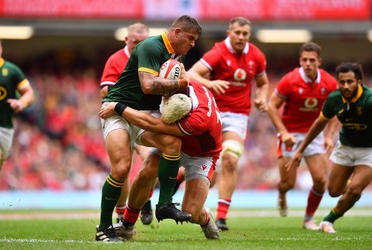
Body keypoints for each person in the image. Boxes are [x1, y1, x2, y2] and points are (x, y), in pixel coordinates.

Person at [96, 15, 202, 242]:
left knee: (173, 143)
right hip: (118, 112)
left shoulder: (175, 56)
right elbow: (147, 86)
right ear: (176, 33)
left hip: (144, 116)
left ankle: (163, 204)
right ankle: (104, 227)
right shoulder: (152, 46)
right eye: (190, 38)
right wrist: (182, 83)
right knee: (122, 167)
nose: (193, 44)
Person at [100, 81, 222, 240]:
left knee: (191, 212)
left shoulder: (197, 120)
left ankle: (205, 218)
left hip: (202, 155)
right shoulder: (186, 85)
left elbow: (151, 123)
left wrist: (119, 107)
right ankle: (127, 225)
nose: (163, 99)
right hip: (180, 141)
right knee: (147, 171)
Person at [188, 17, 269, 231]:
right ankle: (188, 188)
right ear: (229, 33)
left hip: (238, 116)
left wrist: (261, 97)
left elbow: (263, 82)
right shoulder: (217, 53)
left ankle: (222, 216)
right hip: (212, 112)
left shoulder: (256, 56)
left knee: (231, 160)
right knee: (209, 169)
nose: (241, 37)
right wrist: (211, 82)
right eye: (237, 33)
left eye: (245, 34)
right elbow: (191, 74)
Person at [286, 62, 372, 233]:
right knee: (334, 191)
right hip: (346, 147)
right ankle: (351, 186)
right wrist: (300, 150)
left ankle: (328, 221)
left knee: (355, 190)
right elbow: (319, 124)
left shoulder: (371, 100)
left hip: (370, 149)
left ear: (359, 81)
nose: (346, 86)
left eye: (350, 82)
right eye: (342, 82)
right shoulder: (335, 99)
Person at [266, 42, 338, 230]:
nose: (308, 63)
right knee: (288, 183)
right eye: (304, 60)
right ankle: (281, 192)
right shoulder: (289, 80)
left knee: (321, 181)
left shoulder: (329, 83)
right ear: (300, 61)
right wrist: (283, 132)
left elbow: (337, 110)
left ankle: (308, 219)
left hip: (315, 134)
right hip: (290, 135)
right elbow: (271, 106)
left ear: (319, 61)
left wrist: (330, 135)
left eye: (312, 60)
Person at [99, 22, 154, 225]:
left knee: (151, 159)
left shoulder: (152, 58)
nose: (139, 46)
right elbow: (106, 91)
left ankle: (145, 197)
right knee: (122, 168)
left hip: (141, 117)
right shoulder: (115, 60)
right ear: (126, 40)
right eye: (135, 42)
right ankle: (122, 213)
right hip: (120, 117)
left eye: (143, 42)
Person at [0, 36, 35, 226]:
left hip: (5, 127)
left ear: (1, 49)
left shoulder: (11, 71)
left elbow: (29, 94)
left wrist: (21, 102)